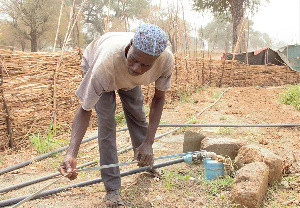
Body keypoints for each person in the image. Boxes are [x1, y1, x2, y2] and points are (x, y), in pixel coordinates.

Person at [58, 23, 174, 207]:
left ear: (155, 60)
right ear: (130, 46)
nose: (136, 68)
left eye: (145, 65)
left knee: (137, 114)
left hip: (125, 78)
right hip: (101, 67)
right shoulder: (105, 63)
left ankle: (146, 159)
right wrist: (71, 153)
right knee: (107, 124)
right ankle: (112, 188)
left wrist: (149, 142)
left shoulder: (165, 60)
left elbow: (159, 99)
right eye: (134, 59)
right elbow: (85, 109)